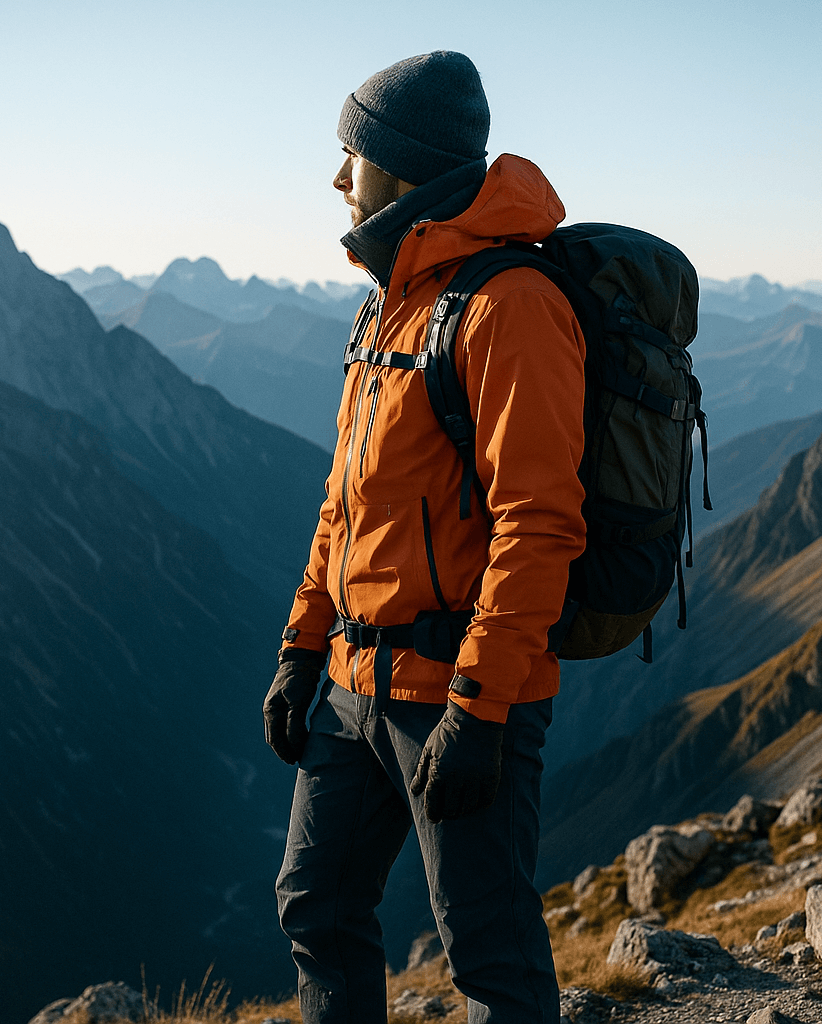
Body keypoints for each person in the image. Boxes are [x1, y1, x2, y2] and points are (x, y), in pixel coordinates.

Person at [263, 50, 586, 1024]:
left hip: (457, 694)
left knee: (487, 950)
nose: (335, 178)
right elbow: (344, 502)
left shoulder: (509, 307)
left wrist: (480, 710)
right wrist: (299, 645)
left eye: (349, 153)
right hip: (356, 688)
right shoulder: (386, 306)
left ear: (395, 165)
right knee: (314, 904)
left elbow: (539, 523)